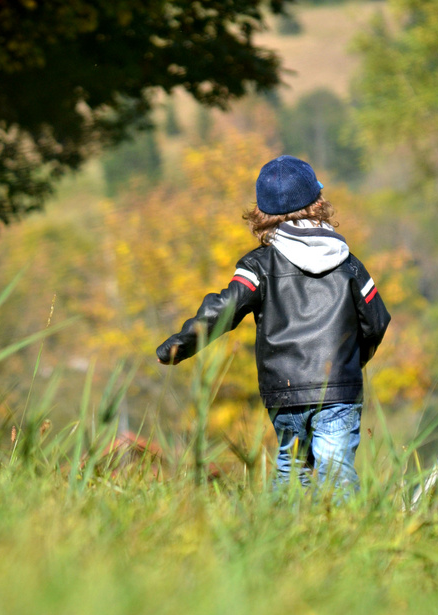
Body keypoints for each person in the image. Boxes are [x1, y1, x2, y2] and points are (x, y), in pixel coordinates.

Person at [156, 154, 391, 496]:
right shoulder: (348, 263)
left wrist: (176, 347)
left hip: (283, 389)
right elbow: (377, 322)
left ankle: (286, 540)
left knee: (292, 470)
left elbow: (222, 310)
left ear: (261, 215)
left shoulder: (258, 266)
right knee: (337, 471)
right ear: (318, 203)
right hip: (339, 386)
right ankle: (347, 535)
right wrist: (354, 360)